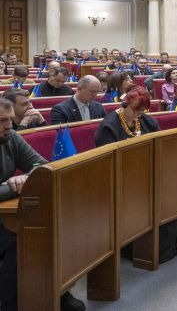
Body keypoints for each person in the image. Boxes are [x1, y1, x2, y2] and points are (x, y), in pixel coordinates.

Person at [0, 98, 87, 311]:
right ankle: (8, 304)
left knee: (51, 225)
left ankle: (56, 292)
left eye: (11, 120)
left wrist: (25, 178)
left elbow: (43, 166)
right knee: (23, 238)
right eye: (2, 121)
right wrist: (10, 188)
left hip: (5, 213)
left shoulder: (9, 137)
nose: (9, 126)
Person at [94, 87, 177, 265]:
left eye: (142, 111)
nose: (139, 114)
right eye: (136, 110)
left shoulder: (146, 120)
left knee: (168, 192)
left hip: (146, 172)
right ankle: (136, 248)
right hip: (121, 177)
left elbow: (159, 143)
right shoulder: (109, 126)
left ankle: (165, 249)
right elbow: (106, 160)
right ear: (124, 105)